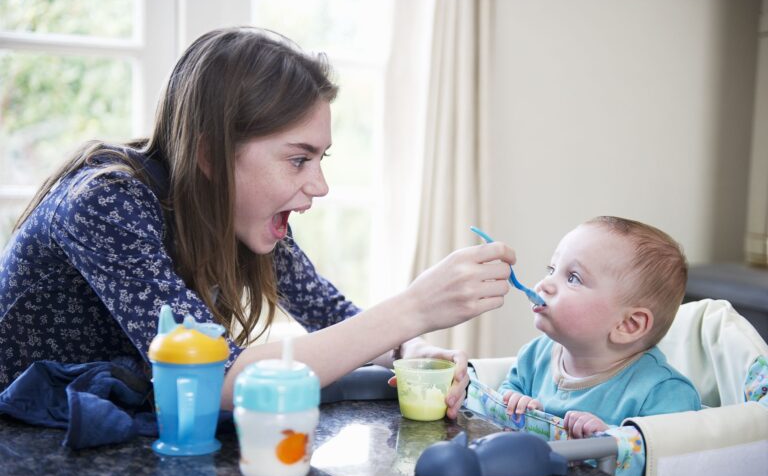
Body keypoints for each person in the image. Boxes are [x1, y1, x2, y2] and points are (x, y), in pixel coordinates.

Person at [0, 27, 517, 418]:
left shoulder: (239, 214)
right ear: (211, 154)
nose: (319, 185)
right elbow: (217, 379)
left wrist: (415, 350)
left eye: (321, 160)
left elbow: (334, 317)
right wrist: (415, 308)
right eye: (298, 159)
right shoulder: (106, 203)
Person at [499, 216, 701, 437]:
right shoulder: (536, 354)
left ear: (628, 325)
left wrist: (610, 437)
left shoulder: (664, 393)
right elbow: (508, 390)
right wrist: (514, 401)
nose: (544, 284)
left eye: (573, 278)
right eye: (551, 269)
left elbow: (665, 456)